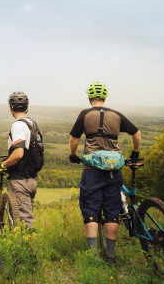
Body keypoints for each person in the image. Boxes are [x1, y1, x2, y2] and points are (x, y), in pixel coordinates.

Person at [69, 81, 141, 265]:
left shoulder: (85, 114)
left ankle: (92, 257)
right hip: (114, 170)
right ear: (105, 97)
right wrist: (135, 153)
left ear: (89, 97)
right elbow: (137, 133)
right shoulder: (116, 115)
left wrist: (72, 155)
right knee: (112, 212)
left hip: (92, 170)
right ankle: (111, 256)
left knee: (91, 211)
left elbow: (74, 139)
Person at [0, 91, 40, 229]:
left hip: (20, 180)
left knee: (23, 222)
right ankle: (23, 246)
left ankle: (26, 250)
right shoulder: (32, 123)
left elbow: (18, 153)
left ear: (10, 107)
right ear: (26, 108)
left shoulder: (18, 126)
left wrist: (3, 165)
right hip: (32, 179)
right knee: (25, 215)